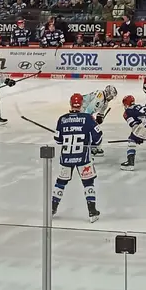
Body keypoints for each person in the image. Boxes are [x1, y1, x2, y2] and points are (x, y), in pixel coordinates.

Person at [52, 93, 101, 222]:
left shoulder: (62, 119)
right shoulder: (88, 118)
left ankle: (52, 208)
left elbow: (58, 140)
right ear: (82, 104)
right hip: (83, 157)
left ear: (70, 104)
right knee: (88, 183)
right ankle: (92, 212)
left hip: (66, 157)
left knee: (60, 182)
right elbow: (98, 138)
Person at [81, 84, 119, 154]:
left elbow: (100, 114)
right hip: (81, 109)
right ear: (107, 93)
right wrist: (93, 121)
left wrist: (100, 119)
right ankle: (86, 145)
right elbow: (88, 111)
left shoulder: (105, 102)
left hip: (85, 112)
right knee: (88, 129)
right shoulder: (100, 96)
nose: (111, 98)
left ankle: (93, 145)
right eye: (111, 96)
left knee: (93, 128)